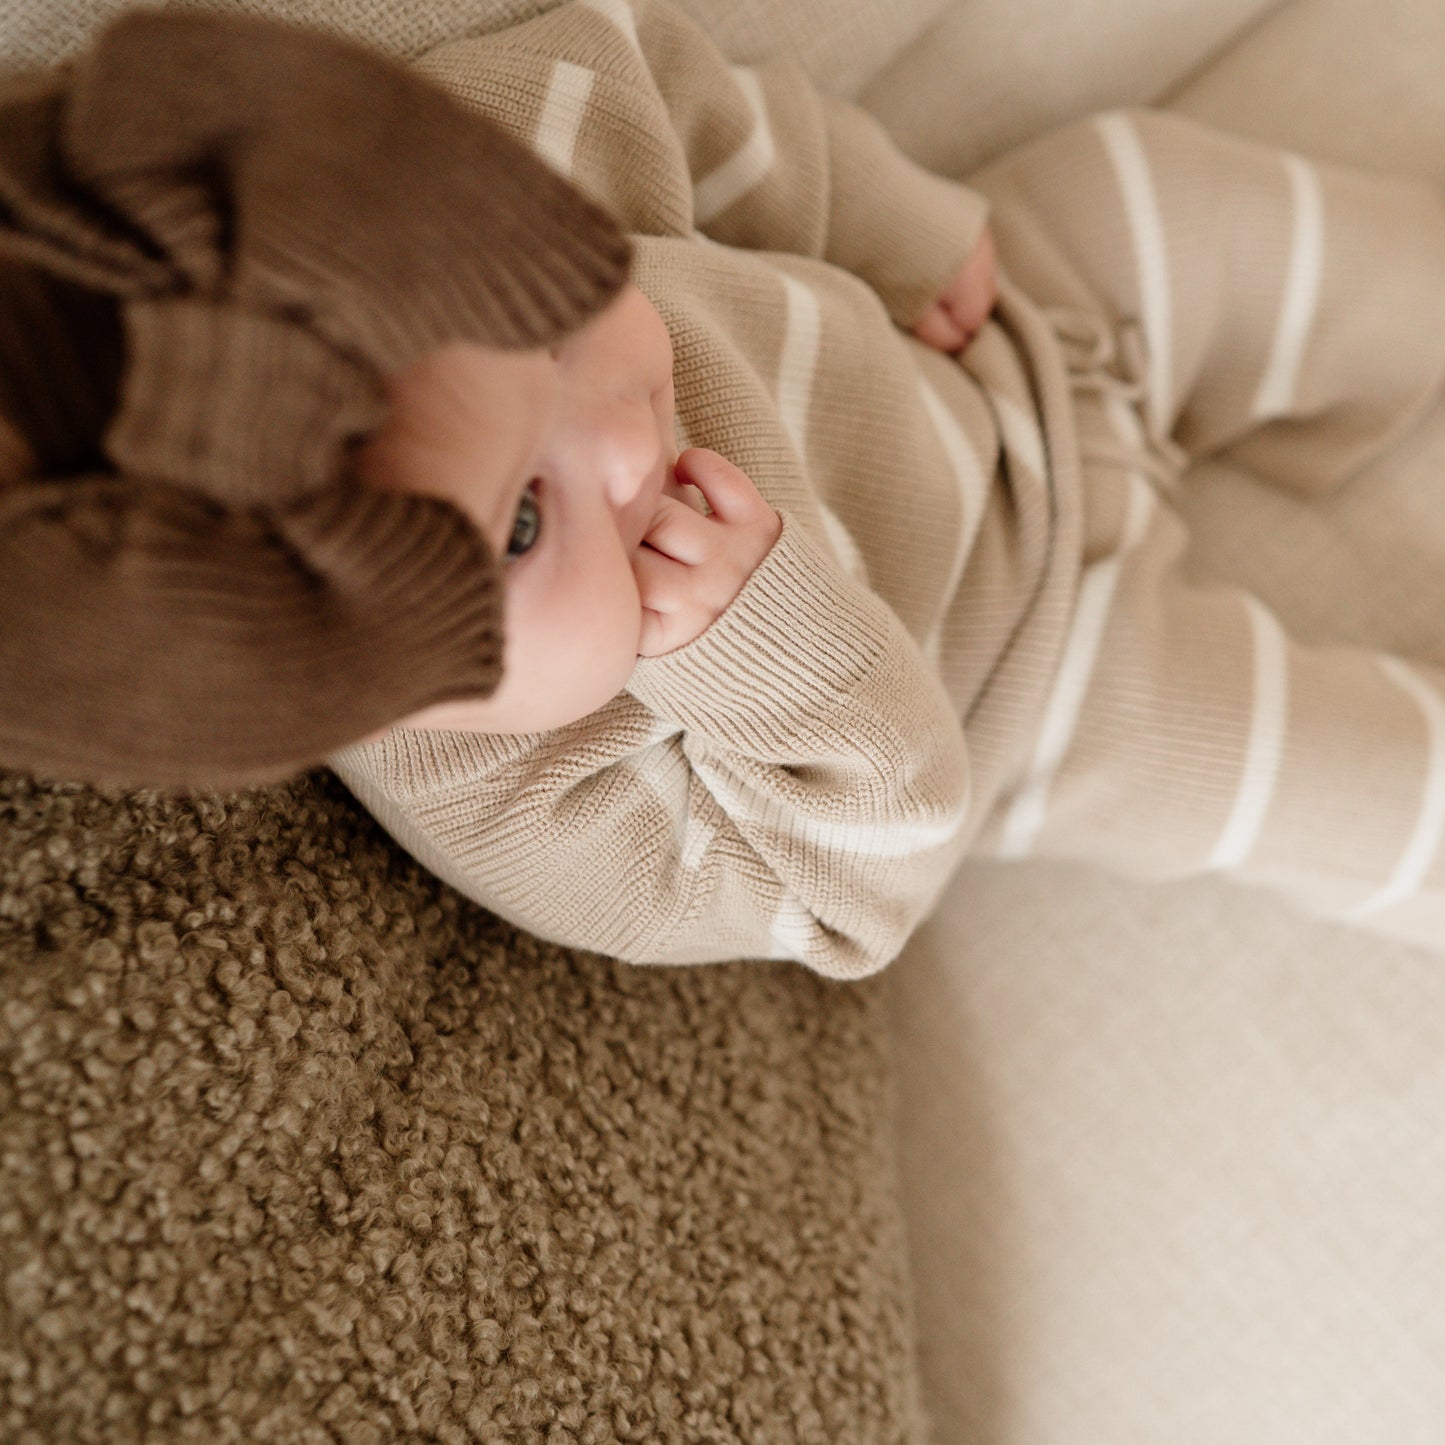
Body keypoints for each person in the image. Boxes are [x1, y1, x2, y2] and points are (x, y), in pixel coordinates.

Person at [330, 0, 1445, 976]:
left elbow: (655, 91)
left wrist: (888, 223)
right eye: (521, 522)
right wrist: (765, 657)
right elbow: (851, 898)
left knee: (1174, 193)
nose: (623, 445)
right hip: (1031, 681)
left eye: (544, 317)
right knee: (1375, 795)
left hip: (1008, 334)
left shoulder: (453, 183)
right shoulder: (519, 814)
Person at [0, 8, 631, 786]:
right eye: (522, 525)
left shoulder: (552, 142)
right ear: (389, 716)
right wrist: (745, 641)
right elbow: (792, 886)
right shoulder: (505, 779)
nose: (631, 447)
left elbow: (672, 85)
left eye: (554, 341)